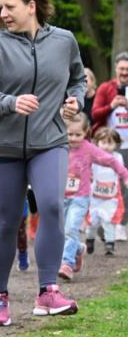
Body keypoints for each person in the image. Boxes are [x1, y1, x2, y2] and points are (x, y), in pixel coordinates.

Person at [0, 0, 87, 325]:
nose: (3, 13)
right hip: (1, 145)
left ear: (31, 5)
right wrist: (10, 102)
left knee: (52, 205)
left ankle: (47, 291)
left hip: (49, 140)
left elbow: (78, 80)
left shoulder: (64, 41)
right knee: (7, 221)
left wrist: (74, 101)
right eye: (1, 7)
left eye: (10, 6)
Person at [59, 115, 128, 278]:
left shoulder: (88, 149)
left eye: (78, 135)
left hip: (80, 198)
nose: (73, 138)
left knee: (70, 229)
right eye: (70, 134)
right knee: (61, 231)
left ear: (86, 134)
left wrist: (125, 175)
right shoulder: (60, 146)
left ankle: (67, 263)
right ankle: (78, 249)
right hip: (61, 197)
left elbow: (110, 160)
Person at [90, 52, 128, 240]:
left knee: (126, 186)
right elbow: (95, 114)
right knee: (106, 184)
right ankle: (100, 223)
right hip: (108, 146)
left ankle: (121, 224)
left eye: (127, 70)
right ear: (116, 68)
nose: (124, 73)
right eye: (122, 69)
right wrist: (112, 105)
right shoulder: (106, 88)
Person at [86, 127, 125, 256]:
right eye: (103, 142)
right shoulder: (93, 158)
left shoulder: (118, 158)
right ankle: (89, 239)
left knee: (109, 221)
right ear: (97, 143)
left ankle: (110, 244)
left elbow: (121, 172)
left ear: (116, 144)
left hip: (110, 196)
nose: (106, 146)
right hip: (95, 196)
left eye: (110, 143)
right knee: (92, 221)